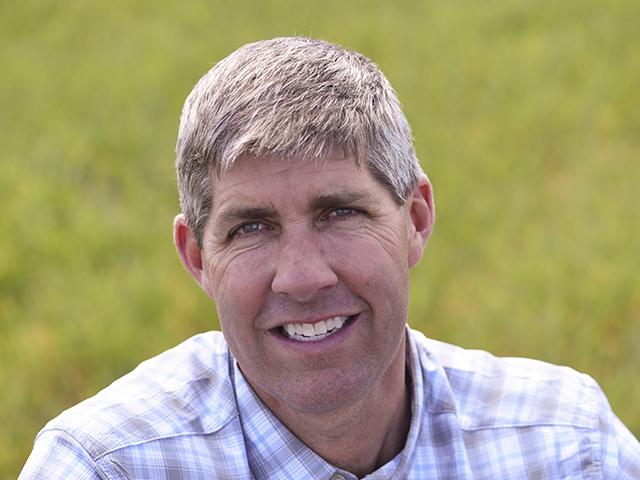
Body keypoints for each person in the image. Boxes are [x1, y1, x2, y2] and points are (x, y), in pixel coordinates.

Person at [20, 36, 639, 479]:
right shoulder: (103, 466)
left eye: (339, 213)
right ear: (197, 258)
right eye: (251, 228)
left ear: (416, 219)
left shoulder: (567, 449)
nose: (303, 277)